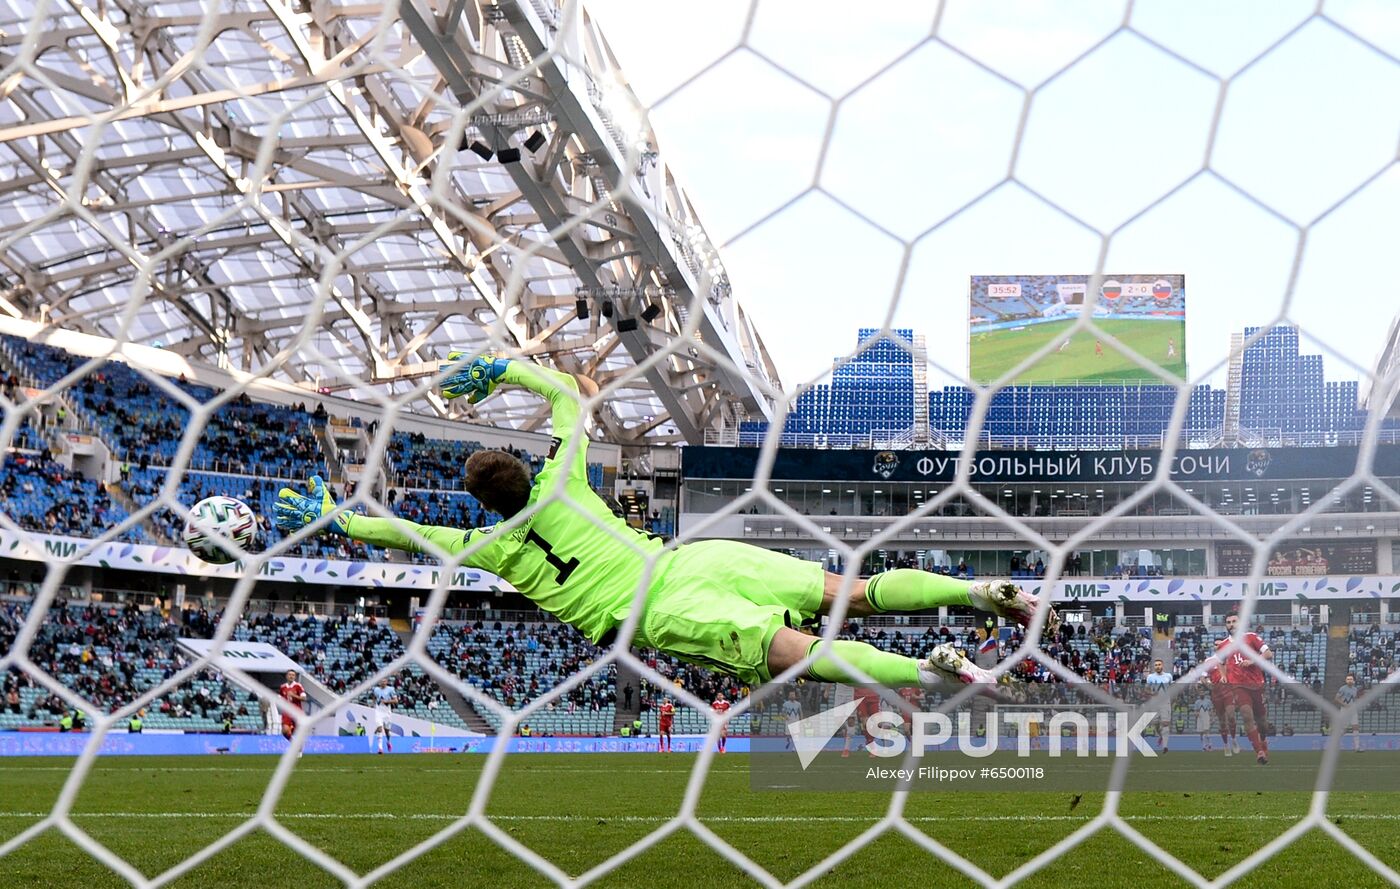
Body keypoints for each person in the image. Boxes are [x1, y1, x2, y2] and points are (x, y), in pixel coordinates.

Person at [274, 355, 1055, 695]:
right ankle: (978, 591)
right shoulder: (566, 481)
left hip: (659, 609)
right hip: (695, 559)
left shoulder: (486, 546)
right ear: (523, 466)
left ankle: (937, 674)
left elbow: (394, 533)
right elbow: (570, 398)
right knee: (847, 588)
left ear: (483, 503)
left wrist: (332, 516)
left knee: (803, 654)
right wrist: (503, 368)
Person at [1207, 611, 1272, 764]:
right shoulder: (1223, 645)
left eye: (1234, 621)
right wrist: (1224, 676)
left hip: (1256, 684)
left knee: (1262, 723)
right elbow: (1220, 663)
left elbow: (1268, 654)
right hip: (1237, 686)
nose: (1231, 625)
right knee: (1246, 715)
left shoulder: (1251, 637)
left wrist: (1252, 661)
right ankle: (1259, 752)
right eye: (1228, 622)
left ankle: (1263, 741)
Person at [1205, 651, 1239, 756]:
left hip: (1228, 693)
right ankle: (1226, 745)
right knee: (1222, 722)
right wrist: (1208, 684)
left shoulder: (1232, 659)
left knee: (1231, 716)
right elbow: (1203, 677)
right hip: (1217, 695)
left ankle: (1233, 739)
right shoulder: (1209, 661)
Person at [1145, 658, 1172, 753]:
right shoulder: (1150, 677)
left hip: (1165, 702)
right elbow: (1146, 690)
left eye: (1159, 664)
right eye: (1156, 665)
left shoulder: (1168, 676)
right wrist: (1152, 694)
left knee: (1165, 723)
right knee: (1154, 723)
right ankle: (1161, 736)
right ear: (1154, 667)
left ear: (1162, 665)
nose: (1158, 666)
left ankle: (1165, 746)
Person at [279, 669, 307, 752]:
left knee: (298, 731)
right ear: (286, 676)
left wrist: (294, 695)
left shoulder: (298, 686)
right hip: (287, 711)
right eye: (290, 675)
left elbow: (304, 698)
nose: (291, 676)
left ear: (295, 677)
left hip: (296, 711)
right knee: (284, 731)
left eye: (293, 675)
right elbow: (280, 697)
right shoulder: (282, 687)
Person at [371, 678, 398, 754]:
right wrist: (373, 704)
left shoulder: (390, 690)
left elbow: (396, 700)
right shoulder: (376, 689)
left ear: (386, 682)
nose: (382, 683)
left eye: (384, 681)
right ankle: (380, 748)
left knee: (387, 731)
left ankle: (388, 742)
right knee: (379, 728)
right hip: (378, 711)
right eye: (381, 681)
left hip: (387, 712)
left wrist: (387, 701)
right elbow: (374, 696)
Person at [1334, 674, 1360, 752]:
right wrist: (1345, 705)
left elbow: (1354, 699)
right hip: (1344, 710)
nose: (1349, 681)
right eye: (1348, 679)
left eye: (1351, 679)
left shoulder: (1355, 689)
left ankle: (1357, 747)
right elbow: (1336, 699)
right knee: (1343, 729)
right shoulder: (1343, 689)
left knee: (1356, 727)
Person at [1192, 686, 1214, 750]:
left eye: (1202, 693)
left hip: (1206, 717)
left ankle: (1208, 745)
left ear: (1204, 693)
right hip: (1200, 718)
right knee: (1201, 733)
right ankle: (1205, 745)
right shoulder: (1197, 702)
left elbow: (1211, 710)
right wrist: (1196, 714)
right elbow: (1195, 711)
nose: (1201, 694)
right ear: (1199, 694)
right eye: (1200, 693)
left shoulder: (1208, 701)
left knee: (1206, 731)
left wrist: (1212, 718)